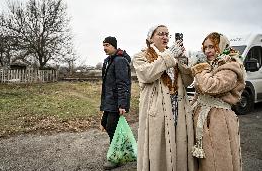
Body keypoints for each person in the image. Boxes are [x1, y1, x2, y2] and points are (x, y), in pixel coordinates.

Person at [132, 25, 197, 171]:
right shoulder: (140, 56)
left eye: (167, 34)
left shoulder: (173, 56)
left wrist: (182, 61)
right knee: (158, 146)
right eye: (160, 34)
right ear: (150, 38)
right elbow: (147, 75)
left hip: (178, 107)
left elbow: (187, 82)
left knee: (179, 142)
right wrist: (169, 56)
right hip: (157, 109)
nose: (165, 37)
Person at [190, 32, 245, 171]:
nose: (208, 51)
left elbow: (211, 86)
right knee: (202, 162)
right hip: (201, 116)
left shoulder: (232, 66)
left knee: (218, 160)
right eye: (205, 48)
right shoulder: (210, 65)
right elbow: (199, 92)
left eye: (212, 47)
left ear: (221, 46)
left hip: (219, 120)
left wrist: (200, 68)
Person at [99, 36, 132, 170]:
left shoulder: (119, 61)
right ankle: (120, 148)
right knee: (105, 124)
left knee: (112, 127)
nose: (104, 48)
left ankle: (116, 157)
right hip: (109, 101)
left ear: (113, 46)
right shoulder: (108, 61)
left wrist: (122, 104)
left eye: (107, 45)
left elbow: (123, 84)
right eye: (103, 45)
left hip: (117, 102)